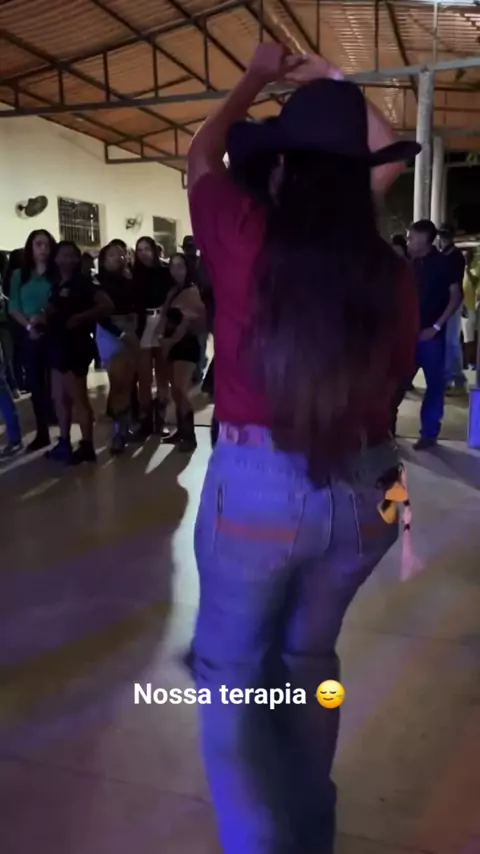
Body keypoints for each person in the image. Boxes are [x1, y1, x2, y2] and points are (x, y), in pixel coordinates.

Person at [187, 44, 419, 854]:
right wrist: (329, 79)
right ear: (358, 180)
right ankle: (310, 829)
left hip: (260, 488)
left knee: (229, 673)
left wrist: (258, 75)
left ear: (282, 168)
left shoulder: (243, 234)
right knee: (307, 657)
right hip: (372, 491)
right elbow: (388, 153)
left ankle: (258, 841)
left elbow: (200, 154)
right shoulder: (387, 272)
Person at [391, 220, 463, 449]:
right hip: (406, 335)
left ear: (424, 239)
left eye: (412, 237)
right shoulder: (406, 263)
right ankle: (388, 430)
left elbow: (456, 296)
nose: (408, 241)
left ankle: (429, 434)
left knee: (434, 386)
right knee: (396, 383)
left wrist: (437, 327)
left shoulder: (443, 264)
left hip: (431, 336)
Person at [45, 241, 113, 464]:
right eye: (63, 255)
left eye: (72, 255)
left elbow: (107, 305)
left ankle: (87, 445)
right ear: (56, 258)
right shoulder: (55, 283)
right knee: (59, 397)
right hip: (56, 343)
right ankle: (64, 441)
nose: (68, 259)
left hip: (76, 345)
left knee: (78, 397)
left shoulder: (84, 282)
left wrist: (81, 317)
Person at [8, 230, 57, 452]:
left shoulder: (56, 274)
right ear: (31, 247)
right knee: (36, 383)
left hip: (55, 331)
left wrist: (46, 317)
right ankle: (42, 431)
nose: (43, 249)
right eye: (39, 244)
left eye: (47, 244)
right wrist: (29, 326)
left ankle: (62, 429)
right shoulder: (20, 275)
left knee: (57, 383)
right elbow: (13, 306)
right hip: (29, 333)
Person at [157, 252, 206, 452]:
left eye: (180, 266)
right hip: (173, 344)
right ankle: (182, 431)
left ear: (188, 269)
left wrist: (170, 342)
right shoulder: (174, 291)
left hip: (186, 344)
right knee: (176, 391)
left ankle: (189, 435)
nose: (176, 271)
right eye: (172, 266)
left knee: (180, 389)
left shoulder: (191, 291)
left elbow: (186, 322)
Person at [96, 242, 141, 455]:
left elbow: (136, 306)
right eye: (113, 255)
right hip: (111, 331)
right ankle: (117, 432)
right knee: (117, 383)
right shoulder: (98, 282)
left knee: (127, 383)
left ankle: (123, 428)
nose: (119, 258)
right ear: (104, 259)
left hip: (130, 328)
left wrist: (134, 328)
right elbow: (100, 314)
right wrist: (121, 333)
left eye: (122, 255)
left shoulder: (130, 280)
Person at [131, 236, 171, 437]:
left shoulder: (165, 271)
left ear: (154, 250)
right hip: (143, 323)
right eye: (139, 250)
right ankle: (145, 420)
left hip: (162, 320)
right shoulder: (133, 273)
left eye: (147, 249)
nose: (143, 253)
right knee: (144, 377)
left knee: (163, 374)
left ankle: (161, 419)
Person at [438, 223, 466, 393]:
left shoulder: (454, 256)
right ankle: (454, 378)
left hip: (452, 302)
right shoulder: (445, 254)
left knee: (451, 342)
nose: (443, 237)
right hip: (445, 302)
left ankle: (451, 378)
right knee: (450, 342)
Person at [461, 248, 479, 371]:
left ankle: (472, 361)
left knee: (471, 337)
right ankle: (467, 361)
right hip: (463, 308)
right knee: (465, 337)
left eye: (467, 256)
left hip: (473, 307)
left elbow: (474, 281)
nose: (465, 258)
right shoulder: (460, 269)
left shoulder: (475, 268)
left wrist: (467, 268)